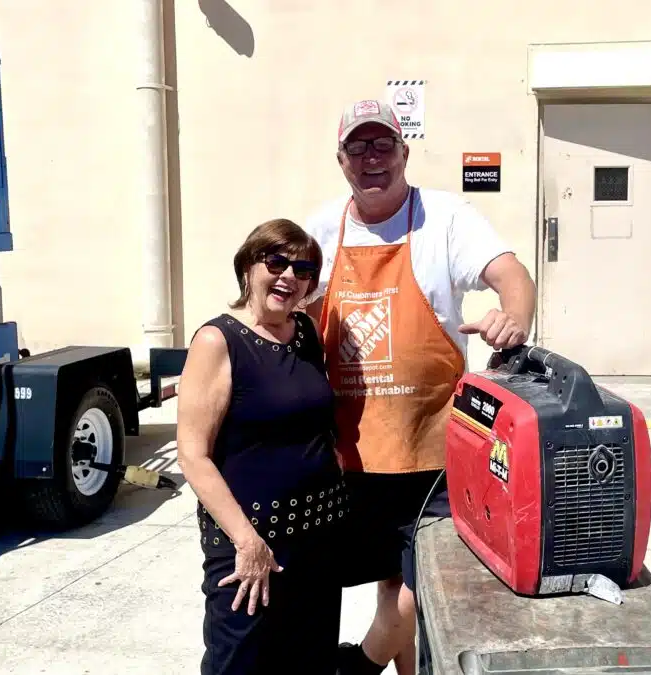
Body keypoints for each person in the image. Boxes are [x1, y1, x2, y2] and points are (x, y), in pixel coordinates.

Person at [302, 100, 537, 675]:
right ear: (340, 160)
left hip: (433, 451)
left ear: (404, 153)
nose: (371, 158)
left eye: (383, 145)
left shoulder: (446, 218)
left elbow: (512, 277)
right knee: (388, 583)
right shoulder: (318, 230)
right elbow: (285, 309)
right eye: (358, 147)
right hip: (349, 453)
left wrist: (515, 315)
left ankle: (359, 666)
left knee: (420, 582)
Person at [176, 218, 348, 675]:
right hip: (251, 543)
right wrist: (247, 541)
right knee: (240, 662)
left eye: (304, 268)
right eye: (277, 261)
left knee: (310, 661)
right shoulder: (218, 341)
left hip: (319, 539)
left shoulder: (307, 332)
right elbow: (193, 454)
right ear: (250, 266)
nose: (289, 275)